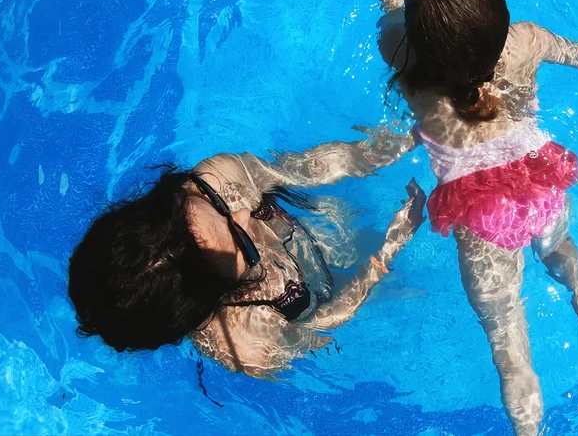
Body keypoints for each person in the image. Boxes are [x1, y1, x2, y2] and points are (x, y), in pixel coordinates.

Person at [376, 0, 578, 435]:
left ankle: (530, 431)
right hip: (538, 178)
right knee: (566, 255)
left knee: (509, 340)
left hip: (481, 215)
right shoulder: (524, 40)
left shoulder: (399, 53)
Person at [68, 127, 424, 379]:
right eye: (242, 245)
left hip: (324, 225)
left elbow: (305, 169)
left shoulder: (215, 182)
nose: (242, 214)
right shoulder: (247, 343)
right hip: (339, 287)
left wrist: (407, 140)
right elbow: (325, 321)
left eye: (218, 211)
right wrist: (390, 248)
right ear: (206, 307)